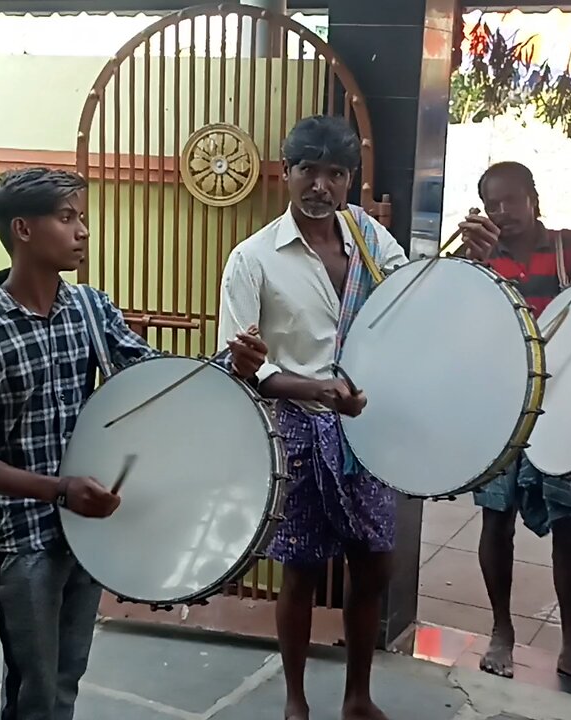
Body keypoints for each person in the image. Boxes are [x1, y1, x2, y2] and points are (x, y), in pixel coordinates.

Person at [0, 168, 267, 720]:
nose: (82, 231)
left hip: (91, 529)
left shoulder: (90, 309)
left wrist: (230, 366)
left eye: (81, 217)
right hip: (28, 539)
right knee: (32, 688)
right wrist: (60, 490)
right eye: (67, 218)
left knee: (68, 677)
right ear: (22, 229)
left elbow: (155, 383)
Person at [217, 115, 407, 720]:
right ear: (286, 173)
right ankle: (295, 702)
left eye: (335, 173)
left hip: (367, 428)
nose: (320, 185)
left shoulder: (374, 245)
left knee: (373, 564)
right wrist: (322, 392)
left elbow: (411, 309)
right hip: (297, 427)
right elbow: (250, 365)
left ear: (349, 180)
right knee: (298, 570)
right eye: (308, 170)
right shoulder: (253, 259)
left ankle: (358, 697)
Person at [456, 161, 571, 697]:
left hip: (564, 409)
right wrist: (469, 266)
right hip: (502, 409)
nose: (502, 213)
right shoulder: (479, 256)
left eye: (511, 201)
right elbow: (459, 321)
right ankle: (501, 632)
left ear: (534, 197)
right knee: (496, 521)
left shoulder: (569, 248)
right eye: (492, 204)